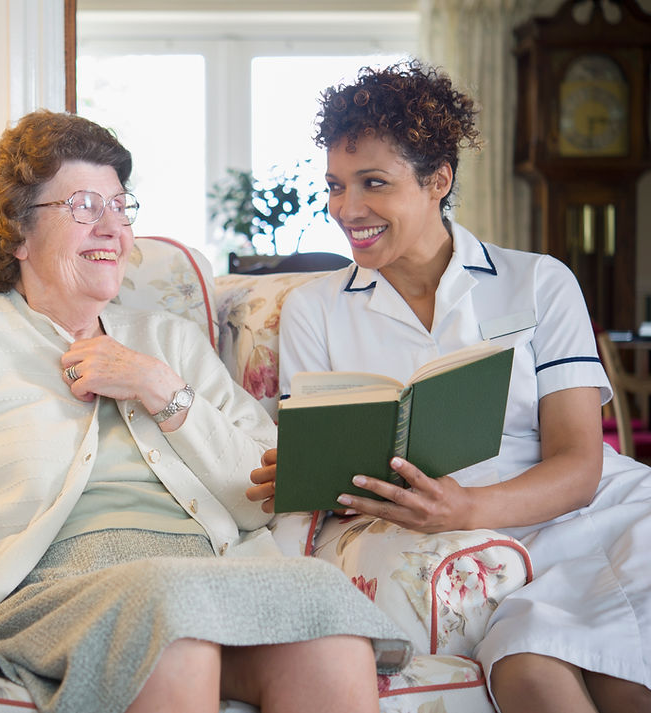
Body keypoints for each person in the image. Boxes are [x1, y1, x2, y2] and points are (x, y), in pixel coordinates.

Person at [0, 109, 409, 713]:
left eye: (120, 207)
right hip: (54, 591)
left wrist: (158, 386)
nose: (112, 229)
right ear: (18, 234)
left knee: (328, 629)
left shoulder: (171, 340)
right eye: (84, 206)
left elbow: (261, 491)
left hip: (211, 575)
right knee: (172, 619)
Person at [247, 61, 651, 713]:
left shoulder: (539, 281)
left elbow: (580, 463)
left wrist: (465, 510)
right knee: (531, 679)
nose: (347, 209)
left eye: (373, 182)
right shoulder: (315, 309)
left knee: (628, 684)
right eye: (335, 185)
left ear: (438, 179)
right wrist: (302, 471)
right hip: (488, 547)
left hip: (599, 514)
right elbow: (327, 466)